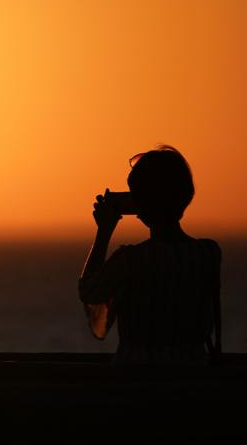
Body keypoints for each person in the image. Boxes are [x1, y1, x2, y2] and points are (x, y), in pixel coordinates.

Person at [78, 145, 222, 363]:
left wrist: (104, 231)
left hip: (138, 383)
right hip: (194, 382)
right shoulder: (208, 253)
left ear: (141, 202)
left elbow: (90, 292)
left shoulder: (131, 261)